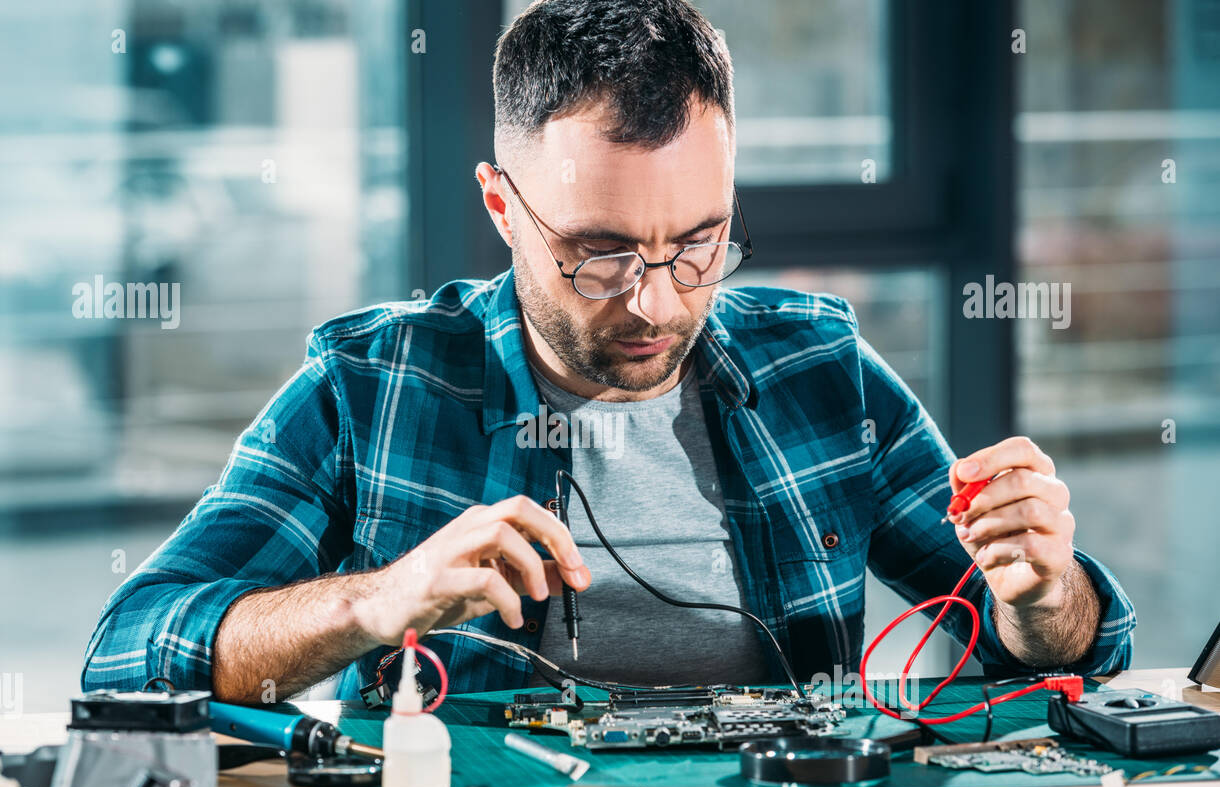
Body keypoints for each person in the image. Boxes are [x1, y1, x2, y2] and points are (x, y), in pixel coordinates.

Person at [83, 0, 1133, 705]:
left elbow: (1056, 655)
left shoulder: (822, 372)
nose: (656, 300)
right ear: (501, 204)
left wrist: (1042, 597)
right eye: (599, 252)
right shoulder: (373, 387)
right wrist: (375, 600)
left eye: (697, 244)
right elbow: (128, 656)